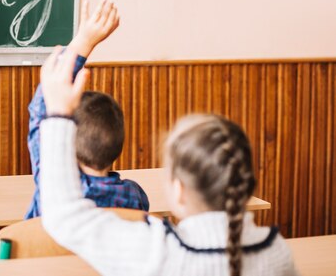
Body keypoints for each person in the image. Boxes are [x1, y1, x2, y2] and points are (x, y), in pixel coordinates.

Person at [38, 47, 298, 276]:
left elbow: (64, 215)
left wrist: (59, 114)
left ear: (179, 190)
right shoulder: (277, 252)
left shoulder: (156, 252)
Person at [25, 0, 149, 219]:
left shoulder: (53, 190)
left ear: (63, 140)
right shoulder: (134, 196)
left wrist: (83, 42)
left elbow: (41, 108)